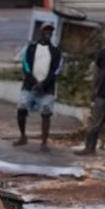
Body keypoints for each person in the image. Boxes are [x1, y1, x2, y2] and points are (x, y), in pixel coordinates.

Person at [15, 23, 63, 152]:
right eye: (46, 30)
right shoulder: (30, 48)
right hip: (29, 87)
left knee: (46, 114)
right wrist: (34, 82)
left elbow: (56, 70)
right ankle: (23, 136)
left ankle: (44, 142)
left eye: (50, 31)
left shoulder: (56, 51)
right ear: (40, 32)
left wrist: (43, 84)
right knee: (21, 110)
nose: (48, 33)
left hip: (47, 89)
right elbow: (25, 66)